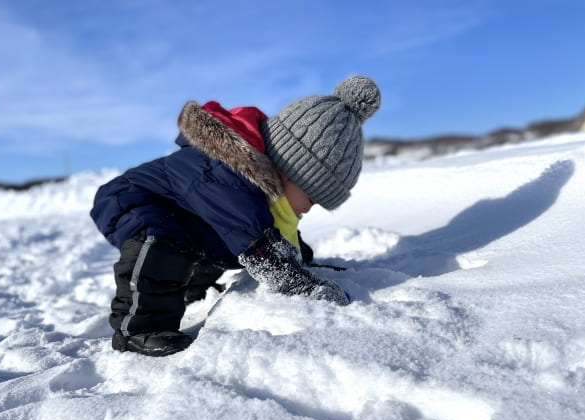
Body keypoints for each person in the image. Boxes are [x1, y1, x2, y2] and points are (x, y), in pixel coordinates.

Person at [90, 75, 381, 356]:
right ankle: (139, 330)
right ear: (291, 172)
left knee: (220, 245)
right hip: (134, 199)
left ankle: (190, 291)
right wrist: (297, 282)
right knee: (163, 242)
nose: (307, 209)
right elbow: (255, 237)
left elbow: (277, 237)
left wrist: (302, 261)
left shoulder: (263, 193)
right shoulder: (223, 170)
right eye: (311, 199)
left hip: (188, 217)